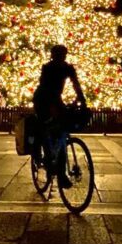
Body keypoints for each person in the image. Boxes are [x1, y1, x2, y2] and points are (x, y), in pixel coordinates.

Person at [32, 45, 86, 189]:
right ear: (53, 55)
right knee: (47, 127)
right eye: (59, 54)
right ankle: (47, 161)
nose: (61, 57)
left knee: (62, 132)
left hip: (56, 99)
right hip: (43, 99)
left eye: (63, 54)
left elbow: (76, 84)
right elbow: (44, 87)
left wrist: (82, 100)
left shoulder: (67, 68)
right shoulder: (48, 67)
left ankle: (59, 171)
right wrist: (53, 106)